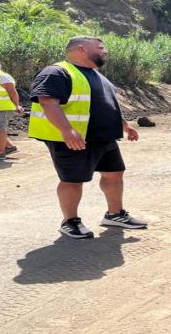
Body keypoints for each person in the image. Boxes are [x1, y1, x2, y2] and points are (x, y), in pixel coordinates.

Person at [28, 36, 147, 239]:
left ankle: (115, 214)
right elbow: (47, 102)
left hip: (103, 137)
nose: (105, 51)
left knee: (114, 173)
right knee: (72, 180)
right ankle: (70, 221)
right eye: (100, 47)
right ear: (81, 49)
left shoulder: (97, 75)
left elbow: (107, 104)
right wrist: (67, 130)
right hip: (74, 139)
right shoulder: (57, 71)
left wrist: (125, 126)